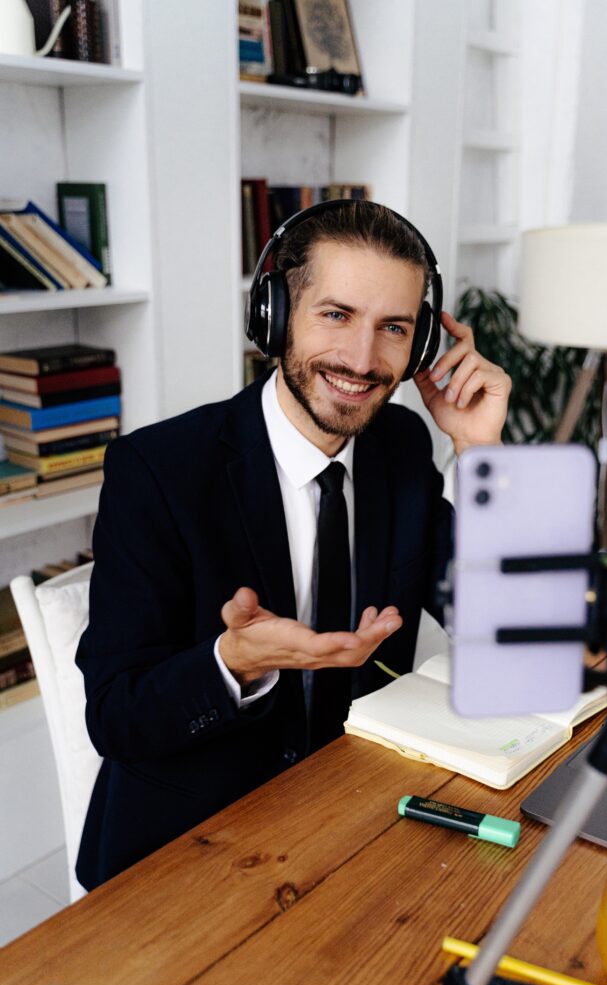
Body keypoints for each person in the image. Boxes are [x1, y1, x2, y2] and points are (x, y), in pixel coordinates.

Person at [75, 201, 511, 890]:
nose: (362, 361)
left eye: (392, 328)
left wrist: (479, 451)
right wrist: (232, 665)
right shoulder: (158, 471)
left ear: (422, 343)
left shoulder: (398, 445)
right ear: (272, 316)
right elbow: (115, 715)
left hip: (359, 821)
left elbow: (501, 629)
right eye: (335, 315)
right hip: (191, 848)